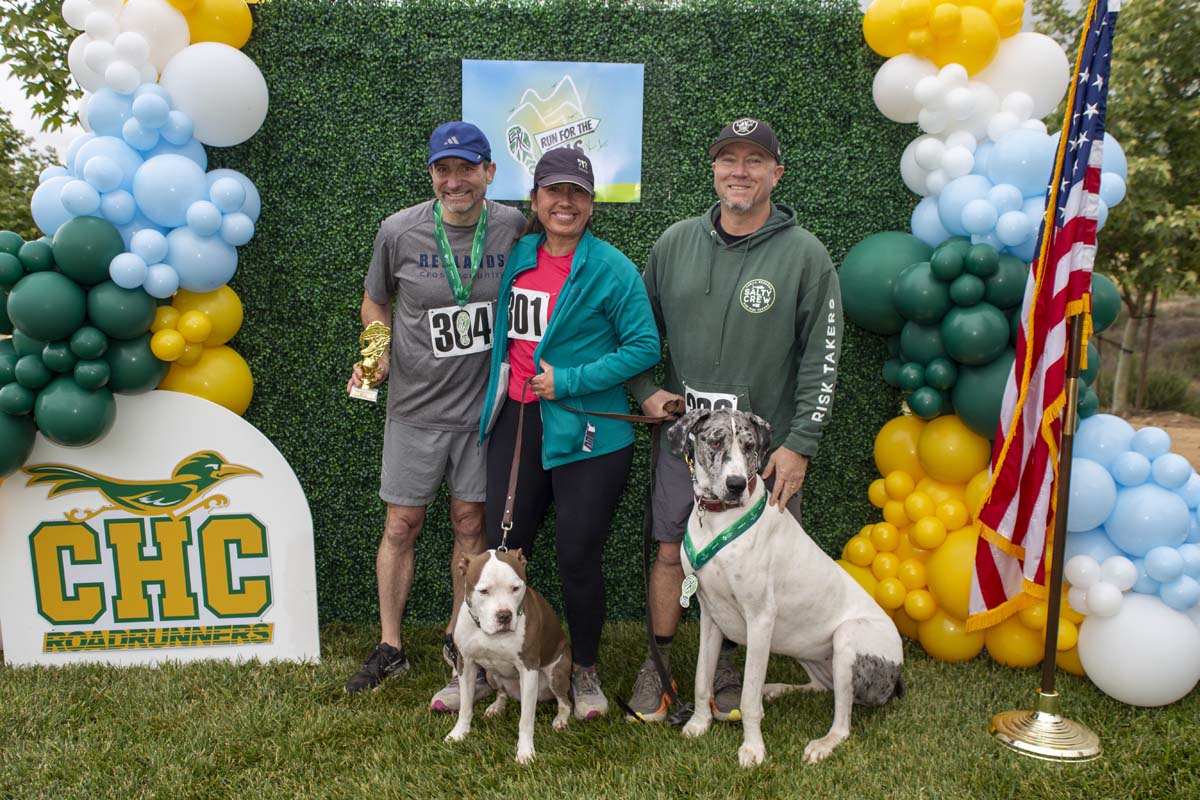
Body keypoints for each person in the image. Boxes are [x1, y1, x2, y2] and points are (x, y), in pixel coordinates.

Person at [624, 117, 843, 722]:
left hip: (759, 454)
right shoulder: (673, 244)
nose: (739, 172)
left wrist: (801, 443)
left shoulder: (805, 255)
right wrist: (645, 390)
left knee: (756, 561)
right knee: (671, 550)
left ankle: (728, 667)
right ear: (713, 169)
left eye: (754, 161)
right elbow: (638, 337)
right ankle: (660, 665)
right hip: (688, 447)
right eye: (729, 160)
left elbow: (823, 360)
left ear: (777, 172)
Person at [345, 121, 527, 713]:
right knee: (401, 525)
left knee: (469, 525)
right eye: (443, 170)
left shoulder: (513, 226)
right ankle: (391, 644)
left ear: (489, 173)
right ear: (432, 175)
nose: (456, 181)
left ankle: (456, 638)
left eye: (467, 169)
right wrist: (376, 352)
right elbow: (377, 299)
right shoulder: (398, 230)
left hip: (484, 411)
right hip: (414, 410)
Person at [478, 147, 660, 720]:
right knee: (502, 554)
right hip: (520, 421)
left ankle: (582, 670)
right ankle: (489, 665)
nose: (565, 202)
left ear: (591, 204)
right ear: (534, 200)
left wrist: (571, 380)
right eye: (553, 191)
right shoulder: (520, 254)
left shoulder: (611, 267)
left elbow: (644, 348)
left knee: (578, 555)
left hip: (590, 433)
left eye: (577, 193)